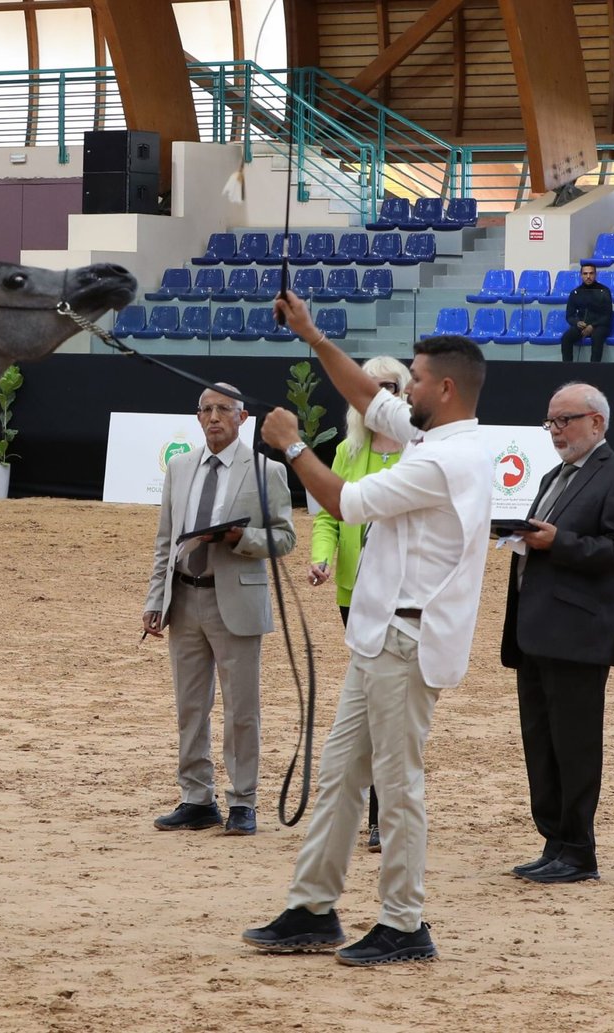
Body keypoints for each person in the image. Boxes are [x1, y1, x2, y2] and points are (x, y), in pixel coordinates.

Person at [243, 292, 492, 967]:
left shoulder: (439, 460)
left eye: (410, 377)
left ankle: (405, 921)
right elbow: (369, 402)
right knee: (339, 775)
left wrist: (291, 444)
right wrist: (311, 333)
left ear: (442, 387)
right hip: (384, 635)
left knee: (397, 782)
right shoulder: (439, 436)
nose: (398, 388)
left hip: (404, 643)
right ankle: (313, 906)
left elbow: (344, 502)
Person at [501, 383, 614, 885]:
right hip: (534, 629)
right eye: (550, 422)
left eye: (564, 421)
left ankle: (579, 850)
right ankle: (553, 841)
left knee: (575, 744)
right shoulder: (551, 476)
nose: (555, 431)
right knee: (539, 741)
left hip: (578, 635)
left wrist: (557, 542)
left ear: (597, 423)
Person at [143, 383, 295, 837]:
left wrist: (239, 540)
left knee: (241, 708)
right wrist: (155, 598)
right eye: (206, 410)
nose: (214, 418)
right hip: (185, 597)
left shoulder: (266, 471)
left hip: (237, 598)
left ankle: (243, 801)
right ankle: (196, 797)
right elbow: (165, 540)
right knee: (191, 705)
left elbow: (284, 538)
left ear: (242, 418)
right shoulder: (179, 467)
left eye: (223, 410)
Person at [308, 355, 412, 854]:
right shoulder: (349, 451)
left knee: (387, 710)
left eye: (390, 386)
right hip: (354, 594)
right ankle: (360, 812)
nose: (379, 395)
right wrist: (322, 558)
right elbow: (331, 515)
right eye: (371, 386)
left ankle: (380, 818)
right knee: (365, 704)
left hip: (401, 599)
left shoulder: (417, 451)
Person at [560, 263, 613, 364]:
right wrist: (577, 323)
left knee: (597, 337)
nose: (588, 276)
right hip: (582, 325)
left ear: (595, 274)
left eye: (591, 273)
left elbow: (607, 315)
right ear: (581, 275)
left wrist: (592, 326)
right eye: (585, 274)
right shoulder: (575, 292)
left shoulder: (604, 291)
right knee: (566, 338)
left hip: (600, 325)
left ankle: (593, 371)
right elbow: (569, 315)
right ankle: (567, 369)